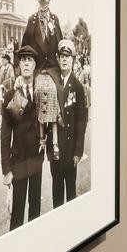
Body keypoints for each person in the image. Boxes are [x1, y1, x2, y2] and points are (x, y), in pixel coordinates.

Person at [0, 45, 43, 231]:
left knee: (35, 210)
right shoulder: (11, 95)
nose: (26, 63)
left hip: (36, 160)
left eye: (30, 60)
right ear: (19, 64)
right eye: (23, 59)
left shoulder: (42, 93)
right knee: (17, 215)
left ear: (34, 65)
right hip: (17, 163)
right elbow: (4, 137)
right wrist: (6, 169)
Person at [22, 0, 63, 160]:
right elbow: (24, 49)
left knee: (54, 91)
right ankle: (41, 138)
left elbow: (61, 45)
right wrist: (23, 72)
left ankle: (54, 140)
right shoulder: (31, 20)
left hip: (53, 69)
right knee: (37, 91)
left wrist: (65, 69)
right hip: (38, 69)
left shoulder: (55, 19)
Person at [46, 39, 88, 208]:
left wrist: (78, 151)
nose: (64, 60)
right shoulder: (51, 83)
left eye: (67, 56)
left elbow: (81, 122)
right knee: (56, 190)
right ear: (58, 58)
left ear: (73, 60)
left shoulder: (78, 87)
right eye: (62, 56)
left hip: (70, 150)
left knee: (70, 192)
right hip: (55, 147)